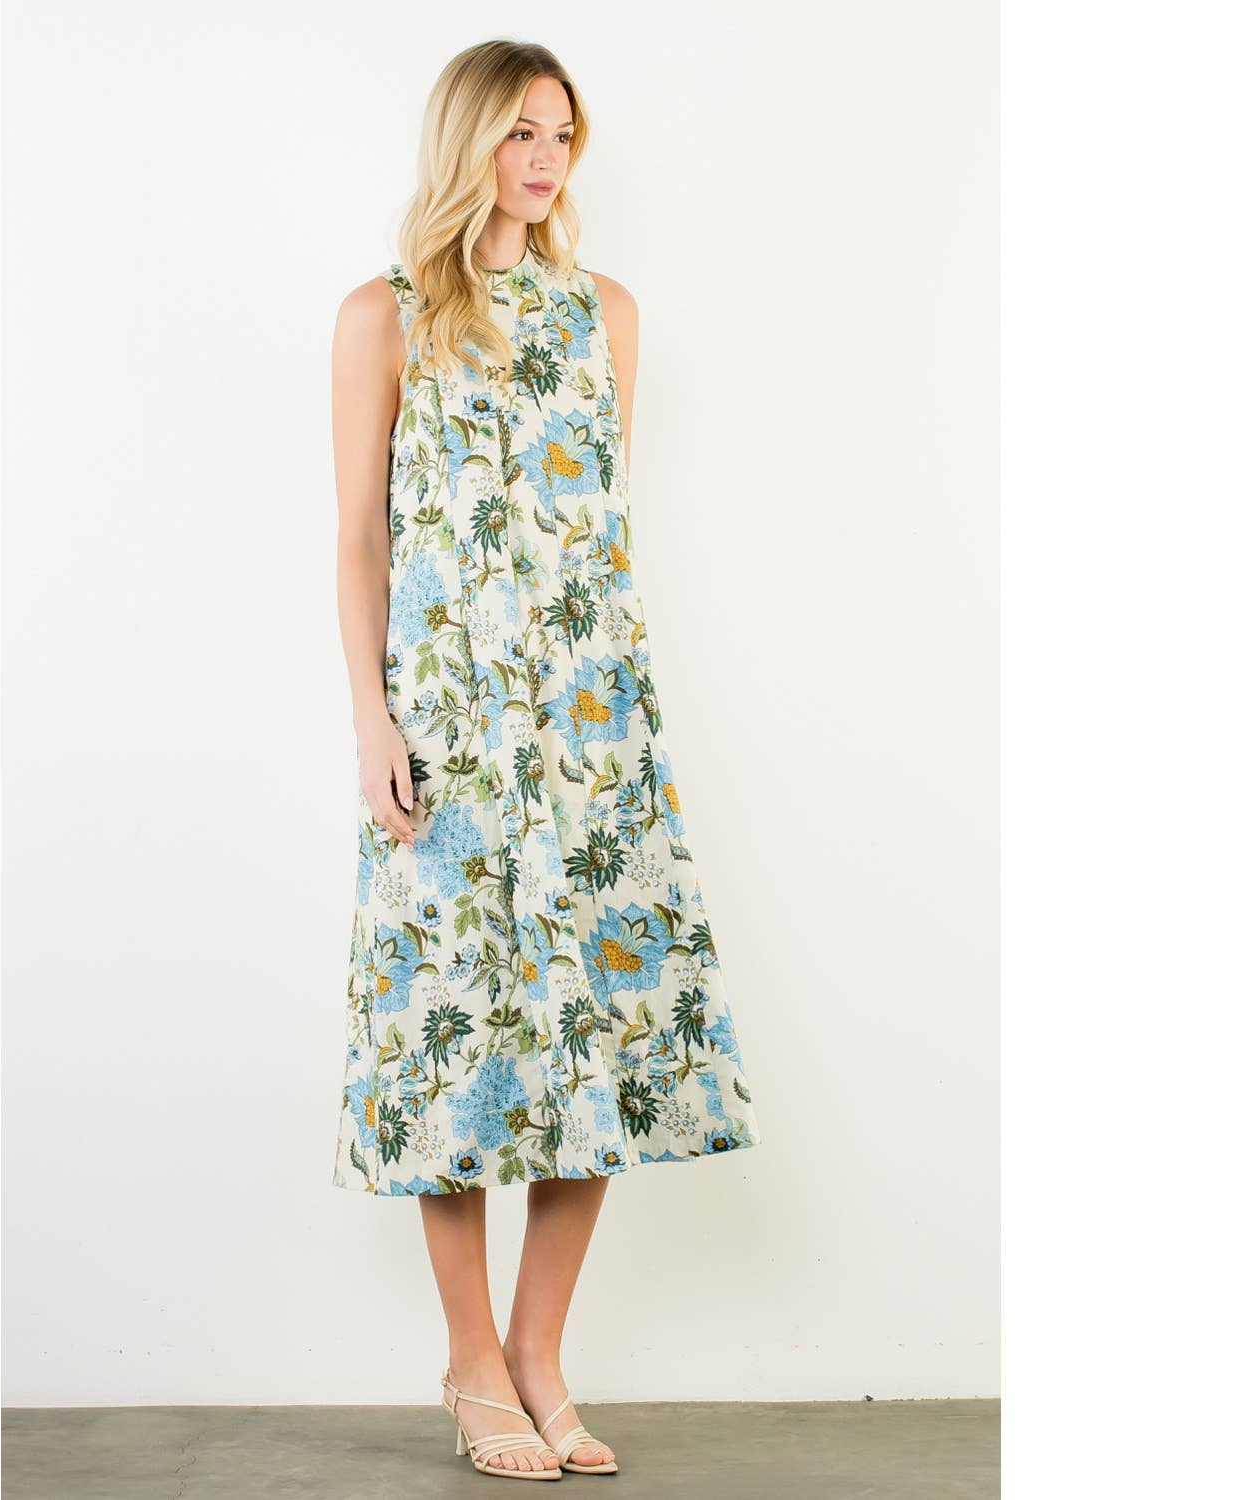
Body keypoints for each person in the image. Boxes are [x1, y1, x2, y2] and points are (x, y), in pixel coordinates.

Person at [329, 38, 761, 1481]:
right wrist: (374, 720)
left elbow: (595, 540)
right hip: (447, 740)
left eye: (561, 135)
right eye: (519, 132)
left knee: (605, 1036)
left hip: (589, 731)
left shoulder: (607, 314)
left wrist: (609, 718)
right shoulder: (384, 316)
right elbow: (362, 539)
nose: (543, 159)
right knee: (453, 1038)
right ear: (467, 140)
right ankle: (469, 1362)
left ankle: (539, 1354)